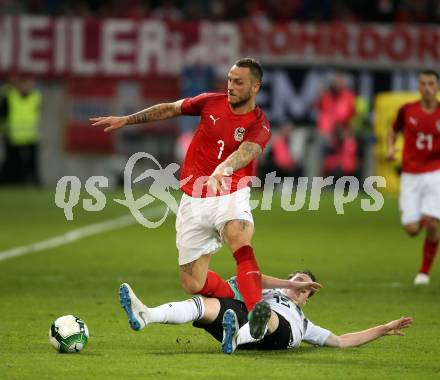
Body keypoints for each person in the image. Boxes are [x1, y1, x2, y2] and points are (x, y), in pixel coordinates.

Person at [91, 58, 321, 339]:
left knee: (237, 233)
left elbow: (247, 151)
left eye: (238, 82)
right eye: (229, 80)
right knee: (192, 282)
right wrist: (127, 119)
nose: (231, 86)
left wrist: (223, 168)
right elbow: (170, 109)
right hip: (194, 198)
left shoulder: (260, 123)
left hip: (231, 192)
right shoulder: (210, 102)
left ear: (255, 86)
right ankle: (239, 293)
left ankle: (255, 314)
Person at [117, 272, 413, 354]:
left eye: (306, 287)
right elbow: (254, 276)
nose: (300, 286)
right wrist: (291, 283)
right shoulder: (270, 293)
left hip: (279, 333)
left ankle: (240, 337)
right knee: (207, 304)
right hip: (246, 320)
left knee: (263, 313)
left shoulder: (304, 321)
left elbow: (342, 340)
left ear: (308, 299)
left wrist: (383, 329)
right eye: (296, 280)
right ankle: (148, 316)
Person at [387, 70, 440, 285]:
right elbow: (393, 130)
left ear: (436, 88)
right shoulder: (408, 110)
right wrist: (391, 148)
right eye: (423, 84)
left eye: (431, 84)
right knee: (411, 230)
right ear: (419, 87)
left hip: (436, 171)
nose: (426, 87)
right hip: (411, 173)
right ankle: (427, 215)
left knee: (435, 226)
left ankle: (423, 273)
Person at [0, 74, 42, 185]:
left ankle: (33, 181)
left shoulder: (35, 96)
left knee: (32, 162)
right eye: (25, 83)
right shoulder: (9, 96)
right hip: (13, 135)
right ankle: (10, 182)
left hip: (31, 135)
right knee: (12, 162)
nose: (27, 86)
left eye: (30, 83)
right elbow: (3, 115)